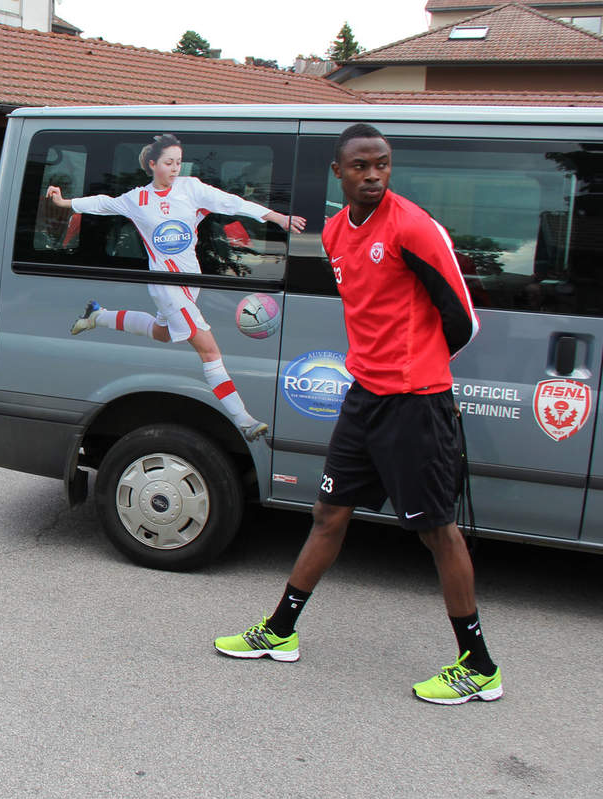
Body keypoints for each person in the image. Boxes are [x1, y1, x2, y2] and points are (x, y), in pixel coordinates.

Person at [214, 124, 501, 706]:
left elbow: (463, 320)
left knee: (436, 531)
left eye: (383, 165)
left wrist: (416, 366)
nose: (374, 175)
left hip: (416, 402)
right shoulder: (334, 232)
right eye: (362, 167)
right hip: (364, 396)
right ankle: (279, 631)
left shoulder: (414, 226)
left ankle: (479, 665)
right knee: (328, 513)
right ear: (338, 173)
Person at [45, 133, 304, 442]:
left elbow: (231, 203)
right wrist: (65, 202)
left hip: (191, 282)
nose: (175, 168)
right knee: (209, 351)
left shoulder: (191, 189)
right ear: (152, 164)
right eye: (168, 163)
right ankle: (243, 418)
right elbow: (104, 204)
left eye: (179, 162)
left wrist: (277, 217)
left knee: (163, 332)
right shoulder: (138, 199)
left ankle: (97, 316)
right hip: (168, 286)